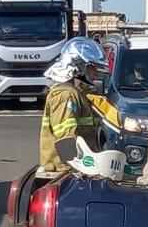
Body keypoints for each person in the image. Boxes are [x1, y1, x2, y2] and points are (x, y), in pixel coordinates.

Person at [38, 37, 106, 176]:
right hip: (66, 173)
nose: (96, 73)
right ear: (79, 68)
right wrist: (76, 170)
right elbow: (66, 141)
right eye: (92, 67)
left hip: (79, 169)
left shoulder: (79, 94)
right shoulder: (66, 96)